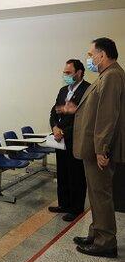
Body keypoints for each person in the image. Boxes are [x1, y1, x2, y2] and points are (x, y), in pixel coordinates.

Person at [69, 37, 124, 258]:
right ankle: (96, 233)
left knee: (101, 195)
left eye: (91, 54)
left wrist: (102, 149)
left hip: (99, 150)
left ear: (102, 55)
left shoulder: (112, 76)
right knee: (95, 193)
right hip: (93, 149)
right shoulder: (106, 75)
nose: (89, 58)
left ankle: (106, 242)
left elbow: (107, 116)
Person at [49, 59, 90, 221]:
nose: (65, 75)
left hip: (75, 139)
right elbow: (54, 112)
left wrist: (64, 132)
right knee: (63, 173)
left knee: (76, 175)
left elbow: (84, 118)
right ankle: (64, 204)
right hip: (59, 139)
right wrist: (54, 127)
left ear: (79, 73)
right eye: (64, 72)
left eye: (68, 73)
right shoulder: (63, 90)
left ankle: (76, 208)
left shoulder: (87, 90)